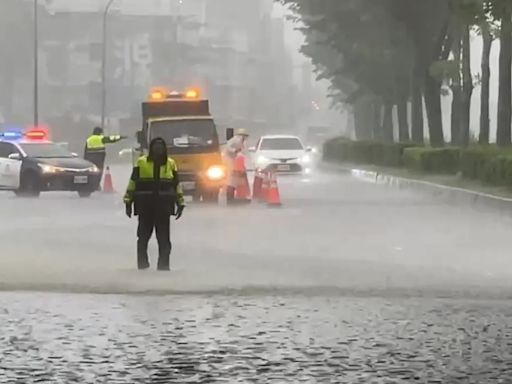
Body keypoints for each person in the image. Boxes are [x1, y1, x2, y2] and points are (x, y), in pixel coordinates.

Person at [123, 137, 185, 271]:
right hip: (145, 206)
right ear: (151, 148)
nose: (158, 149)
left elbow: (176, 184)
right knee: (143, 238)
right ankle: (143, 266)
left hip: (163, 207)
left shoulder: (170, 164)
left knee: (164, 240)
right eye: (156, 146)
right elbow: (132, 183)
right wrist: (128, 202)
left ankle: (163, 267)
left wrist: (181, 203)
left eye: (161, 146)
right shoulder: (141, 162)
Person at [222, 128, 249, 204]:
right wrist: (234, 151)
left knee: (233, 179)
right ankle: (229, 198)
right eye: (244, 136)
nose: (245, 138)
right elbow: (227, 147)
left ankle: (231, 197)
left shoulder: (241, 142)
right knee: (231, 179)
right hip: (228, 159)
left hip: (233, 159)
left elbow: (244, 152)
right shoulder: (235, 140)